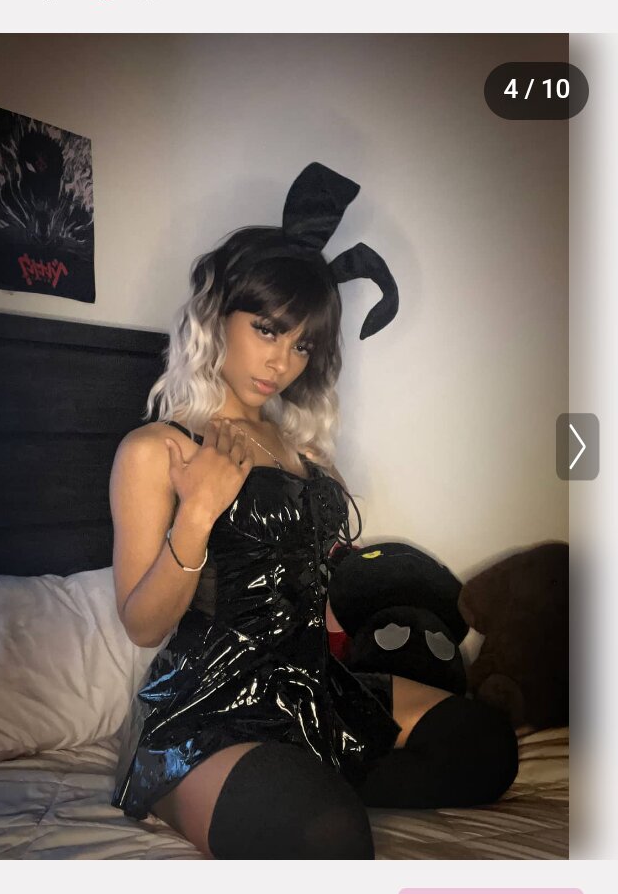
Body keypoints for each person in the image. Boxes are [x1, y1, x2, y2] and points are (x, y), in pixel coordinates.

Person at [110, 163, 518, 859]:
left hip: (312, 684)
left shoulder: (299, 447)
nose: (283, 362)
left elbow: (311, 586)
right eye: (268, 329)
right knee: (328, 835)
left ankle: (316, 775)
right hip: (210, 704)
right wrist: (197, 514)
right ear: (217, 316)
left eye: (302, 343)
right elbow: (143, 624)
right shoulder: (158, 448)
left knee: (486, 745)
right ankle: (292, 791)